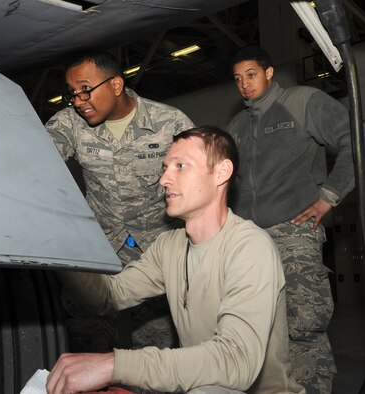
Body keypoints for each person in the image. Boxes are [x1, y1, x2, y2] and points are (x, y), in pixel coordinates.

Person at [46, 126, 304, 394]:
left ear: (222, 173)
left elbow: (236, 361)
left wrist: (114, 364)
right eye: (165, 167)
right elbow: (110, 295)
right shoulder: (169, 246)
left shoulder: (250, 246)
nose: (164, 179)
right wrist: (61, 248)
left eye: (181, 166)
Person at [227, 46, 365, 394]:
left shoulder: (301, 101)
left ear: (268, 73)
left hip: (293, 234)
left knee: (304, 327)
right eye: (237, 79)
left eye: (251, 74)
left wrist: (329, 197)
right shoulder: (236, 125)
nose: (244, 84)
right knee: (256, 329)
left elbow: (359, 140)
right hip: (249, 240)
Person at [45, 51, 194, 351]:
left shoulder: (170, 122)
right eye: (72, 93)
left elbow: (199, 188)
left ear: (115, 85)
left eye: (85, 89)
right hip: (100, 251)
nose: (78, 100)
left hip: (154, 254)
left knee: (159, 350)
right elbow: (36, 160)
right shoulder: (70, 124)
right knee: (86, 347)